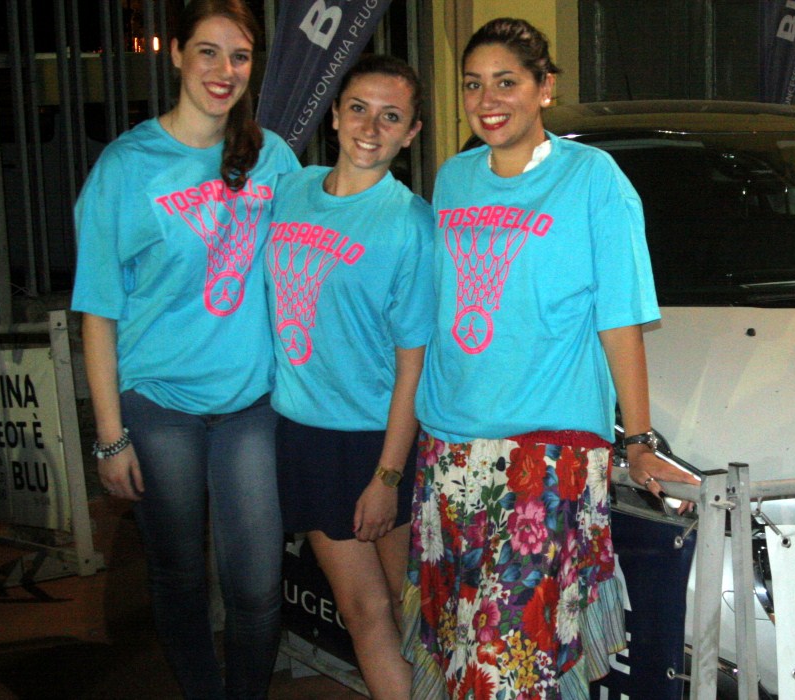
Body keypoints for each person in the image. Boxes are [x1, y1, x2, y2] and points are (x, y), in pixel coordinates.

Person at [401, 17, 698, 698]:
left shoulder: (593, 180)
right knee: (462, 649)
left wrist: (639, 439)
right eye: (473, 84)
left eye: (506, 82)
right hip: (450, 449)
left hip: (546, 454)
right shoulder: (454, 179)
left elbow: (619, 320)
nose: (487, 100)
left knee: (503, 660)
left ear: (544, 87)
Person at [70, 1, 299, 697]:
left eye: (240, 56)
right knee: (178, 575)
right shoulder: (126, 167)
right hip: (158, 403)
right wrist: (111, 437)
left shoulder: (273, 158)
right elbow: (98, 313)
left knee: (257, 586)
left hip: (251, 404)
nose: (224, 70)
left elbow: (313, 261)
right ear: (175, 53)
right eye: (208, 51)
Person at [267, 53, 433, 698]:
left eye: (391, 117)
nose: (370, 127)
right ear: (334, 114)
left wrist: (386, 477)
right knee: (364, 611)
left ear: (410, 134)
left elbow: (414, 364)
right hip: (304, 436)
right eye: (359, 108)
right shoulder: (291, 191)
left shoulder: (410, 224)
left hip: (380, 440)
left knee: (417, 616)